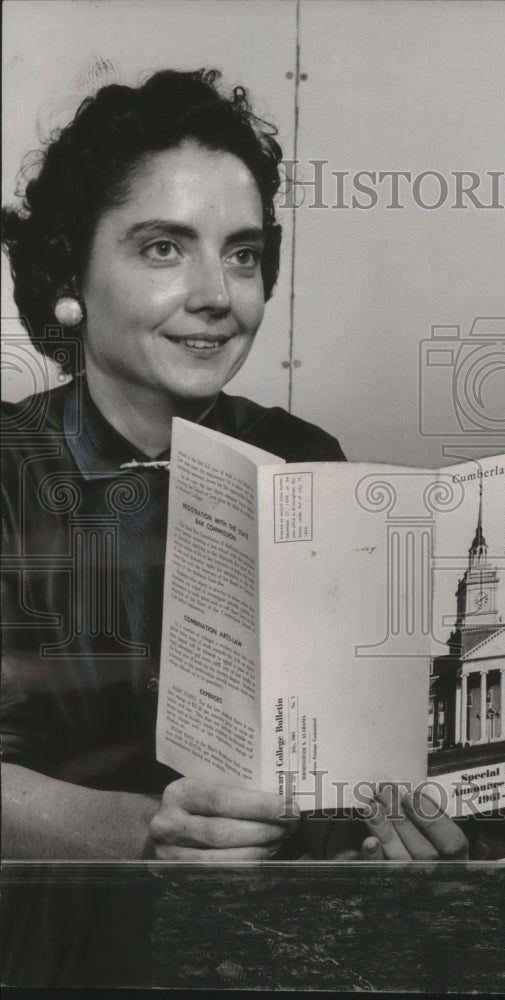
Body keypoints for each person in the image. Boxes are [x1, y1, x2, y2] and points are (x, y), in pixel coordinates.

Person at [1, 68, 467, 862]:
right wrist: (146, 835)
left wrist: (388, 843)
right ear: (67, 275)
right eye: (163, 248)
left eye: (242, 255)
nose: (218, 293)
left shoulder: (306, 459)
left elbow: (347, 764)